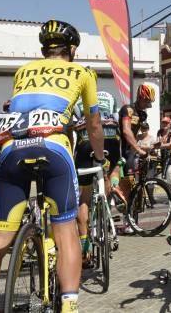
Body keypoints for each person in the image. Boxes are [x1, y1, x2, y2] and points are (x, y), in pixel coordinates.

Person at [0, 20, 105, 313]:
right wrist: (100, 156)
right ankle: (69, 307)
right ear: (73, 50)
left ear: (44, 49)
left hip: (11, 149)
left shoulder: (23, 71)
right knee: (66, 233)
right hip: (53, 146)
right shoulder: (82, 72)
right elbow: (93, 124)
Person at [73, 90, 120, 264]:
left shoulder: (76, 102)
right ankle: (105, 206)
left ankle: (85, 249)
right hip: (111, 140)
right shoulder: (110, 97)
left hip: (85, 141)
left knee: (84, 197)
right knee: (110, 170)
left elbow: (70, 131)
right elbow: (119, 124)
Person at [117, 83, 154, 216]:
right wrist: (138, 149)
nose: (148, 104)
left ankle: (129, 217)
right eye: (147, 101)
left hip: (130, 151)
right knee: (125, 185)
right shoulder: (128, 109)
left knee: (131, 184)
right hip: (119, 149)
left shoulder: (142, 115)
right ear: (140, 97)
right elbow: (126, 131)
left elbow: (135, 134)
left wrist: (147, 147)